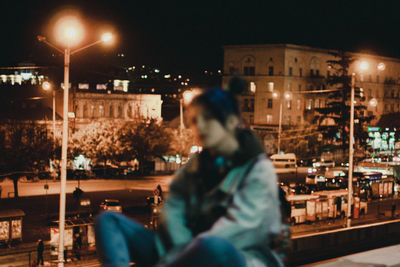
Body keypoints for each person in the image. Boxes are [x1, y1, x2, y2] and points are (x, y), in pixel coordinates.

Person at [95, 78, 284, 267]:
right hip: (178, 253)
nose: (199, 126)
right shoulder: (195, 165)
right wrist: (174, 254)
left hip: (237, 256)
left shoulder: (258, 169)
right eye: (194, 120)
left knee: (213, 244)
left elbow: (236, 229)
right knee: (108, 221)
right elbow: (172, 214)